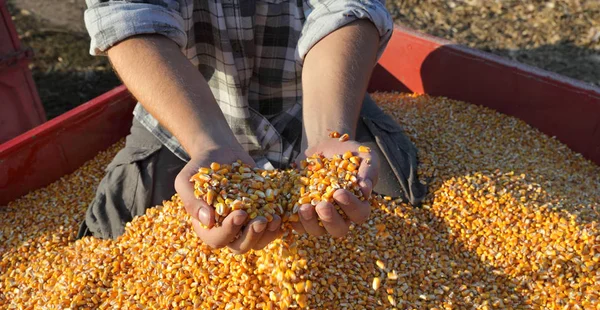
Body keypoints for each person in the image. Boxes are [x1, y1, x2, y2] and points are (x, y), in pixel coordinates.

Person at [79, 0, 426, 253]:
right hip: (181, 115)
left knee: (404, 208)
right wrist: (207, 145)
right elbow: (126, 16)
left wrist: (329, 133)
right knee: (108, 238)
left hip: (319, 98)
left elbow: (348, 8)